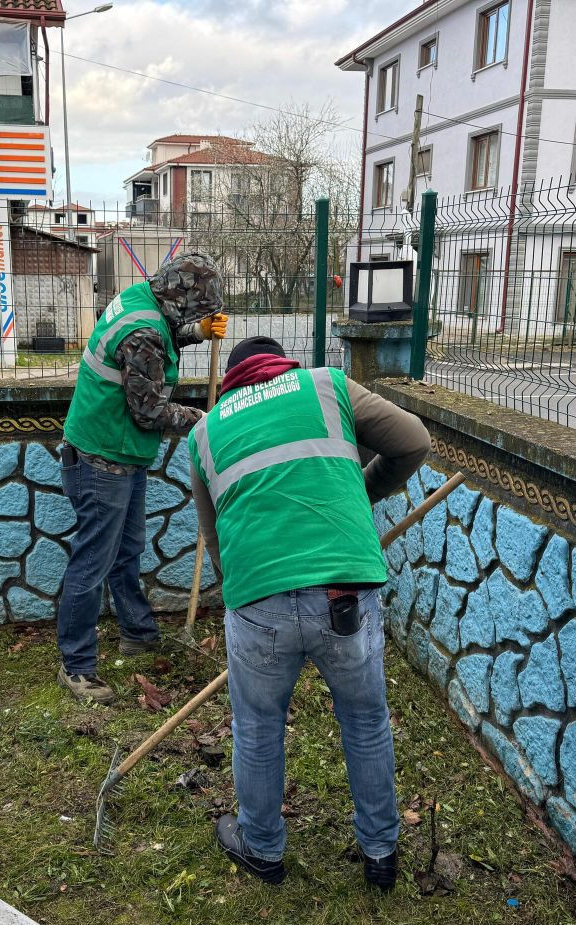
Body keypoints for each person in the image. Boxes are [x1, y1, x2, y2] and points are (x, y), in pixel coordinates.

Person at [188, 336, 431, 888]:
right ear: (281, 364)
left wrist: (251, 596)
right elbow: (414, 442)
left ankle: (261, 847)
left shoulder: (205, 432)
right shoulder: (326, 386)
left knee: (257, 725)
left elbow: (215, 537)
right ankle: (381, 853)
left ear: (230, 381)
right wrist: (361, 492)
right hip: (344, 592)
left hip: (258, 595)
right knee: (365, 720)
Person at [57, 252, 228, 704]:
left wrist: (195, 333)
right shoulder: (144, 333)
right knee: (93, 562)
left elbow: (164, 334)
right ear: (179, 298)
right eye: (195, 311)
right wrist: (205, 420)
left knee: (126, 550)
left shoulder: (140, 297)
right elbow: (149, 411)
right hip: (102, 460)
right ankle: (76, 666)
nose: (194, 317)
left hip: (118, 453)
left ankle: (136, 632)